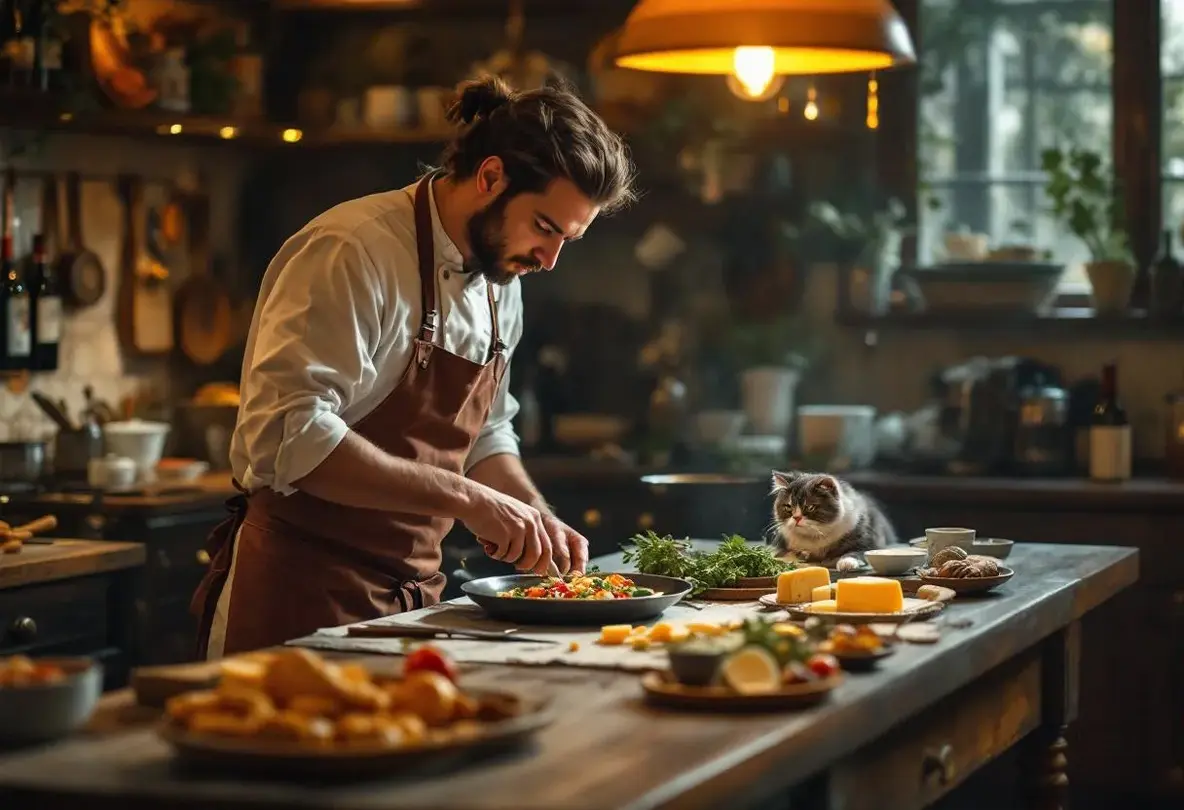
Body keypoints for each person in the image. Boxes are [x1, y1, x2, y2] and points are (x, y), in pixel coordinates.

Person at [192, 75, 637, 659]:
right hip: (298, 595)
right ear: (490, 177)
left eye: (567, 241)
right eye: (545, 228)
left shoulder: (504, 278)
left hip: (414, 603)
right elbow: (292, 438)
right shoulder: (351, 249)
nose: (550, 260)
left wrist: (532, 515)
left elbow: (486, 434)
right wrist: (471, 501)